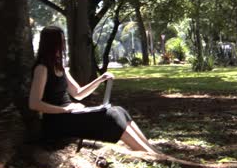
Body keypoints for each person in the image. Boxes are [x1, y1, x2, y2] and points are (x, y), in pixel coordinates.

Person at [29, 26, 160, 154]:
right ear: (51, 44)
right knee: (111, 117)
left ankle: (152, 151)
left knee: (119, 111)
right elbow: (34, 103)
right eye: (61, 42)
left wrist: (100, 79)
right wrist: (65, 109)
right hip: (57, 121)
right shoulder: (42, 69)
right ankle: (150, 154)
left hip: (70, 114)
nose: (64, 45)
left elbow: (78, 93)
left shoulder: (60, 67)